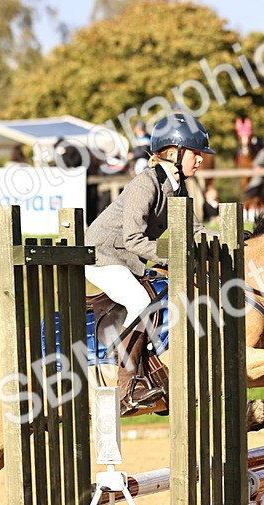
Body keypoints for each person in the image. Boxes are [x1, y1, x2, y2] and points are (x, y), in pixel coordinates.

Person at [84, 112, 214, 412]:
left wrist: (233, 239)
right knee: (140, 301)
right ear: (174, 152)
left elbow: (195, 230)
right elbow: (133, 239)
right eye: (195, 153)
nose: (200, 160)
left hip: (127, 258)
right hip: (103, 255)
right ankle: (127, 385)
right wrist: (174, 258)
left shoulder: (177, 187)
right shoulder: (146, 184)